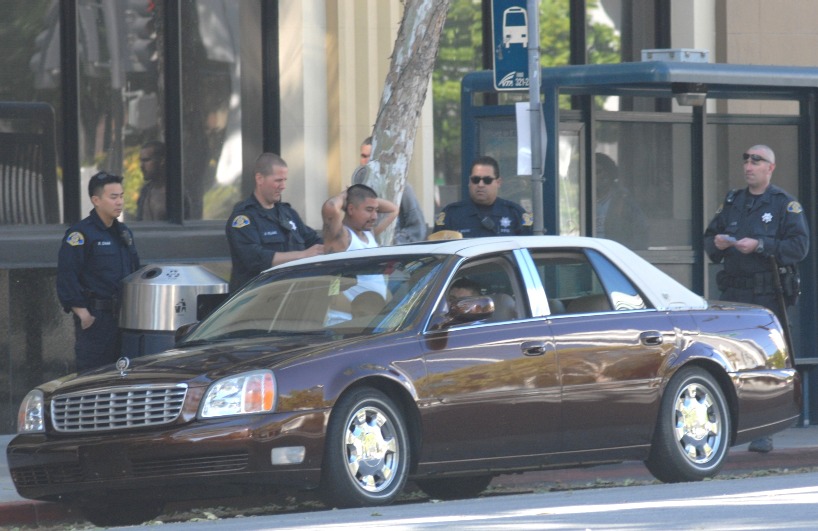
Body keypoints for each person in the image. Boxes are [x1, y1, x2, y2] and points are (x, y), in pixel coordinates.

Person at [703, 144, 809, 454]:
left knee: (765, 362)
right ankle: (731, 425)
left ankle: (765, 429)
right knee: (728, 360)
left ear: (770, 168)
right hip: (733, 295)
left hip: (767, 297)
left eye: (756, 161)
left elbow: (799, 247)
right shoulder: (733, 202)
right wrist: (719, 244)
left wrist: (761, 245)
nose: (749, 166)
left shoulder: (784, 205)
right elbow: (709, 238)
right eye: (746, 160)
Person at [57, 171, 141, 372]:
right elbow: (67, 276)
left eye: (121, 196)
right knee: (94, 375)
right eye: (113, 197)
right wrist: (84, 314)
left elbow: (135, 270)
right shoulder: (81, 234)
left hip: (124, 319)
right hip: (97, 319)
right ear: (96, 200)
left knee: (124, 375)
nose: (119, 202)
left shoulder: (123, 232)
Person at [226, 153, 324, 292]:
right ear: (260, 179)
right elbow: (254, 258)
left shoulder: (288, 214)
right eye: (278, 180)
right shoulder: (243, 218)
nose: (283, 186)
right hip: (256, 297)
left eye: (285, 180)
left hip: (290, 295)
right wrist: (303, 255)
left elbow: (315, 242)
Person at [434, 155, 533, 237]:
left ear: (498, 182)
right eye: (475, 180)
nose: (480, 185)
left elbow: (528, 250)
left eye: (487, 180)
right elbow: (438, 249)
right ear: (469, 182)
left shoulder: (514, 214)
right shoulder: (452, 214)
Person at [356, 136, 427, 243]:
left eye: (371, 157)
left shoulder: (401, 187)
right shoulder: (357, 186)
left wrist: (395, 243)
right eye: (363, 156)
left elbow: (418, 229)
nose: (367, 161)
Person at [321, 183, 398, 254]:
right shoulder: (341, 236)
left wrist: (360, 197)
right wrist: (343, 195)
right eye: (369, 210)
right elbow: (331, 206)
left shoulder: (369, 233)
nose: (374, 217)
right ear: (351, 209)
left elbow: (394, 210)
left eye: (376, 210)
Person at [595, 153, 648, 249]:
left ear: (609, 174)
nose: (594, 176)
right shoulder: (582, 203)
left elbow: (640, 234)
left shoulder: (625, 201)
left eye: (598, 172)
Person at [135, 140, 191, 221]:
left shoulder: (176, 194)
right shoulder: (145, 191)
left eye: (146, 160)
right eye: (141, 161)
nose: (141, 166)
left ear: (161, 161)